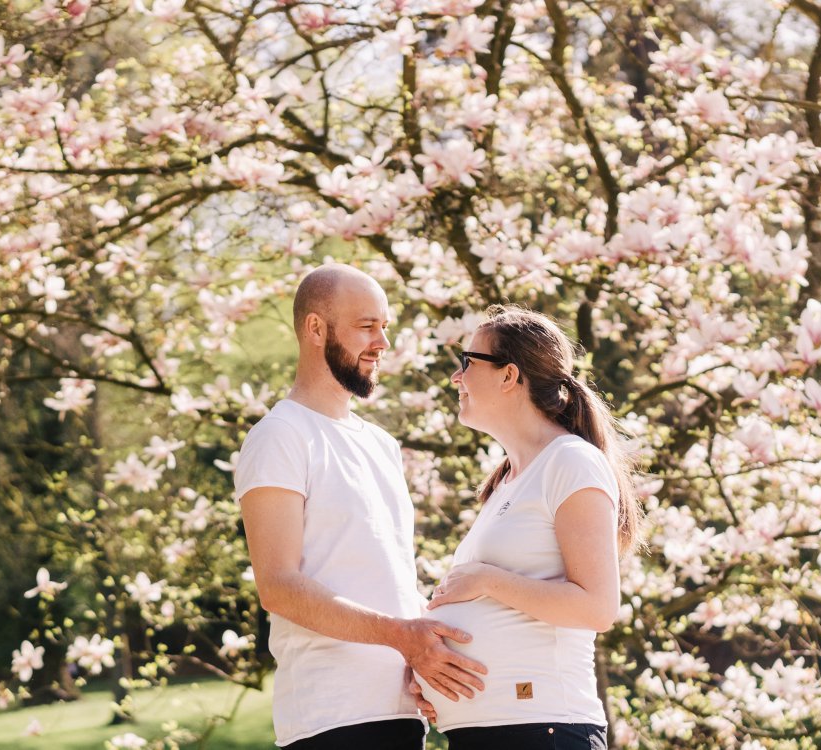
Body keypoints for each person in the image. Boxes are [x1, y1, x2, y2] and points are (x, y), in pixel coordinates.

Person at [234, 264, 488, 749]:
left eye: (385, 327)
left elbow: (386, 577)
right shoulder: (279, 437)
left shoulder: (382, 444)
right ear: (315, 328)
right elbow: (278, 588)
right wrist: (402, 635)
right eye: (367, 326)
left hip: (402, 713)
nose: (382, 343)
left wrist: (423, 656)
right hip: (329, 720)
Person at [411, 305, 641, 749]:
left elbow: (596, 608)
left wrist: (484, 579)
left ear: (509, 375)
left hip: (544, 730)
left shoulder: (570, 462)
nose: (456, 378)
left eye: (467, 362)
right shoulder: (507, 481)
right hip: (487, 733)